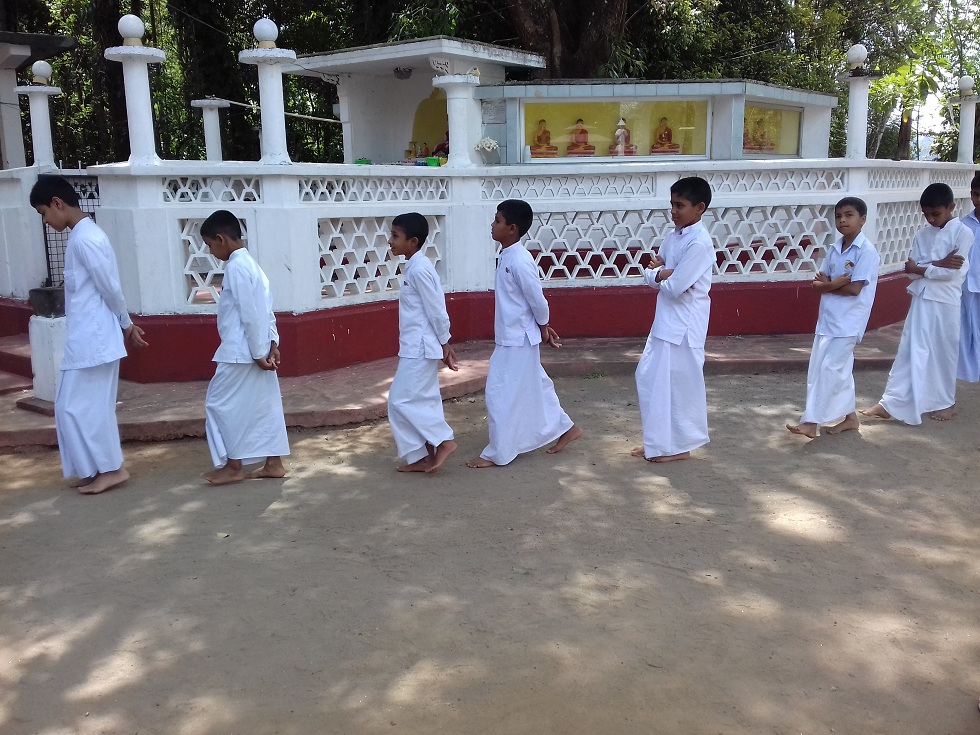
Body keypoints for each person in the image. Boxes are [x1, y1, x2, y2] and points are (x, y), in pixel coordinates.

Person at [29, 175, 148, 494]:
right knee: (70, 406)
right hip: (86, 340)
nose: (45, 220)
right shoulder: (81, 237)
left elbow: (110, 287)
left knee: (83, 407)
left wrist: (126, 324)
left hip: (95, 341)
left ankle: (112, 469)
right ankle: (95, 468)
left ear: (57, 203)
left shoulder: (86, 239)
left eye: (43, 212)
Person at [466, 199, 582, 468]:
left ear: (512, 229)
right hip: (515, 336)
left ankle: (500, 452)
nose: (492, 225)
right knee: (536, 386)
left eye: (497, 221)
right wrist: (541, 327)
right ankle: (567, 428)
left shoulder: (519, 260)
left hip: (517, 339)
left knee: (499, 393)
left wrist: (543, 326)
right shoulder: (508, 256)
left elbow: (537, 299)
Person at [861, 183, 972, 424]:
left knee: (943, 351)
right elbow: (910, 272)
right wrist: (937, 263)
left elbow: (949, 274)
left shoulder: (964, 233)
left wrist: (923, 267)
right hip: (921, 298)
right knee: (910, 350)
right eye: (926, 214)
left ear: (951, 207)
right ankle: (890, 402)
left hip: (946, 301)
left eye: (936, 214)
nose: (931, 219)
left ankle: (947, 402)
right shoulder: (922, 235)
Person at [200, 210, 289, 484]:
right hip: (255, 349)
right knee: (264, 404)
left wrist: (260, 352)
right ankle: (273, 463)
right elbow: (266, 309)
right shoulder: (252, 265)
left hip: (241, 353)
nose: (211, 252)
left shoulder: (236, 267)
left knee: (218, 403)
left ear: (221, 239)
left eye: (210, 245)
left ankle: (234, 465)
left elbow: (251, 313)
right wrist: (272, 343)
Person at [632, 176, 714, 463]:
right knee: (650, 379)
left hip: (685, 326)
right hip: (664, 322)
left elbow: (674, 287)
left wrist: (664, 274)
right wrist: (664, 272)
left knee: (680, 386)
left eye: (680, 205)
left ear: (699, 207)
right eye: (672, 205)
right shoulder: (673, 237)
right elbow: (653, 274)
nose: (674, 211)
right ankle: (657, 441)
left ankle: (680, 447)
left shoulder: (700, 243)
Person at [787, 197, 879, 439]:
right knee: (826, 369)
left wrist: (829, 284)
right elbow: (817, 285)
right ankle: (850, 418)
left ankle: (810, 422)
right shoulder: (834, 249)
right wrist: (832, 284)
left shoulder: (866, 251)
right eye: (838, 216)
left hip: (849, 322)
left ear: (863, 219)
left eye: (849, 215)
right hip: (828, 319)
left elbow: (855, 289)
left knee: (831, 369)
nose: (842, 220)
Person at [386, 212, 459, 473]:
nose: (390, 241)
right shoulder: (414, 267)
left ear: (413, 241)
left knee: (399, 401)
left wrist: (445, 343)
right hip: (416, 345)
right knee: (423, 400)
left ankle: (443, 440)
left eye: (395, 236)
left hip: (419, 347)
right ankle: (422, 457)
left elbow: (437, 310)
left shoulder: (420, 269)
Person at [957, 172, 980, 382]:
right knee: (966, 331)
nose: (978, 199)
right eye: (976, 194)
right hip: (967, 286)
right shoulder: (963, 225)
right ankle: (968, 373)